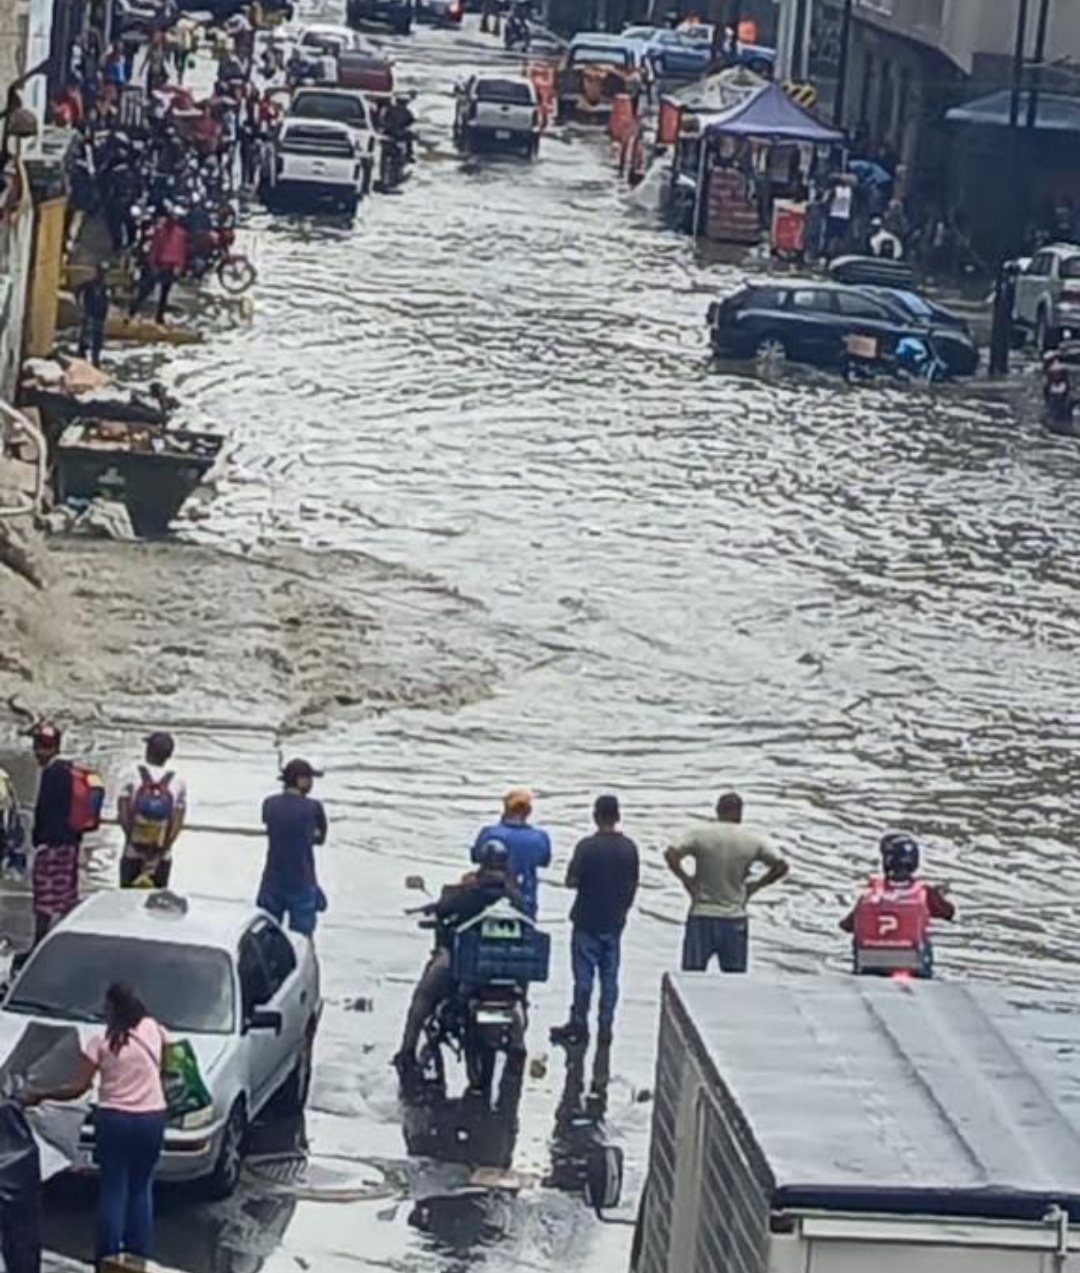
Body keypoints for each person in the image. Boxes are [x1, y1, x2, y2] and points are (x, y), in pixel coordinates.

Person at [20, 982, 167, 1266]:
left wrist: (40, 1094)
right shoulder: (152, 1029)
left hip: (114, 1120)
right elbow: (168, 1059)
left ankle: (107, 1259)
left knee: (114, 1189)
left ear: (113, 1008)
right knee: (141, 1189)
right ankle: (138, 1259)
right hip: (152, 1118)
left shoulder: (101, 1044)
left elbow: (77, 1088)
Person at [394, 840, 522, 1078]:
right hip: (502, 968)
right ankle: (518, 1046)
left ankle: (406, 1051)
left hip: (464, 966)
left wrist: (436, 908)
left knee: (424, 996)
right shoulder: (514, 898)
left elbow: (443, 909)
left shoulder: (469, 894)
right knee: (514, 1004)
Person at [665, 792, 788, 974]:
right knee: (734, 981)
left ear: (718, 811)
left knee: (692, 977)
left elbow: (671, 854)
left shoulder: (700, 834)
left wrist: (687, 880)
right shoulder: (753, 839)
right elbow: (781, 865)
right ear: (740, 812)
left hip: (701, 914)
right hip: (734, 917)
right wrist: (756, 885)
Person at [550, 795, 638, 1048]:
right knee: (610, 978)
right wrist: (622, 911)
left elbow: (571, 881)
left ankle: (579, 1023)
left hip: (586, 921)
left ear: (596, 816)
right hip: (614, 921)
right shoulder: (629, 848)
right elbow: (632, 885)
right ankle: (606, 1026)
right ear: (618, 817)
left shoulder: (586, 847)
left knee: (584, 977)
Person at [841, 833, 954, 978]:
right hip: (911, 962)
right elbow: (949, 912)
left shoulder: (871, 893)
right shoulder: (924, 891)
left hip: (869, 962)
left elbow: (846, 926)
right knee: (924, 939)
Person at [258, 759, 328, 936]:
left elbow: (268, 823)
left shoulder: (269, 804)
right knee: (302, 939)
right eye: (310, 779)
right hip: (302, 880)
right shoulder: (314, 808)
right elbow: (320, 839)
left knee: (267, 932)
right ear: (301, 781)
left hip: (272, 879)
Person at [28, 724, 82, 948]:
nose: (38, 752)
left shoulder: (51, 773)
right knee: (66, 897)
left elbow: (44, 810)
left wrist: (37, 839)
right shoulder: (71, 770)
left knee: (45, 900)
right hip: (70, 845)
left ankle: (39, 946)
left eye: (41, 747)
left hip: (51, 846)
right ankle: (64, 941)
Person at [117, 732, 188, 890]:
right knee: (155, 908)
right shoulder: (178, 781)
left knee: (126, 903)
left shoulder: (131, 774)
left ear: (148, 750)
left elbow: (122, 814)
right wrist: (163, 849)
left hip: (132, 854)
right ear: (169, 756)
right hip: (161, 859)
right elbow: (178, 821)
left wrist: (132, 840)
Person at [472, 789, 551, 917]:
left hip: (487, 899)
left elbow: (476, 857)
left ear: (505, 809)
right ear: (528, 812)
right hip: (526, 901)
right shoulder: (540, 838)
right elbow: (544, 861)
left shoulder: (488, 833)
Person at [76, 261, 111, 366]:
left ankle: (95, 358)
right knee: (86, 333)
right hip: (90, 312)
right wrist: (80, 305)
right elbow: (78, 291)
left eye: (104, 272)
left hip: (100, 315)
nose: (102, 275)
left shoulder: (106, 286)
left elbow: (107, 300)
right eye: (101, 272)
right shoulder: (89, 284)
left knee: (98, 337)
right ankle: (82, 353)